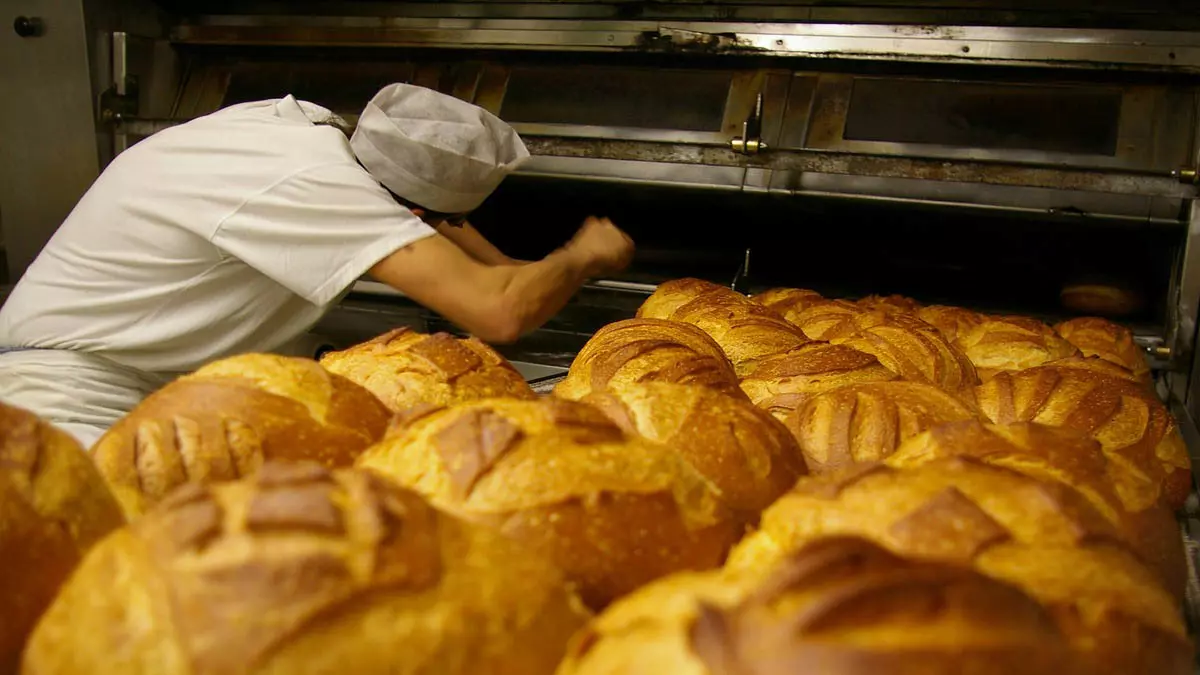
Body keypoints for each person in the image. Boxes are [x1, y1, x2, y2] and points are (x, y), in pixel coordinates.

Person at [0, 83, 634, 447]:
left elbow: (476, 250)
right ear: (408, 210)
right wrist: (583, 254)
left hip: (152, 387)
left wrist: (542, 269)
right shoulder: (314, 185)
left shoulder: (307, 135)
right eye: (425, 220)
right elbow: (498, 309)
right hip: (65, 396)